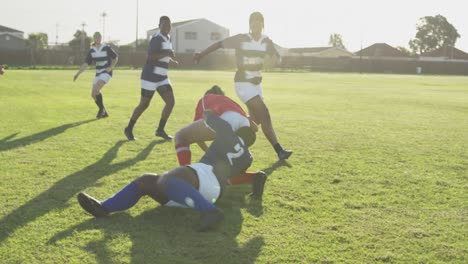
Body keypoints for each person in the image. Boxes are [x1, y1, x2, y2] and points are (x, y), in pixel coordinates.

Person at [77, 110, 263, 232]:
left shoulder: (229, 132)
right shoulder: (248, 157)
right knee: (147, 181)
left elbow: (213, 119)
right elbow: (234, 175)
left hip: (205, 176)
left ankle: (210, 211)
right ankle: (103, 208)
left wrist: (209, 108)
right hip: (213, 189)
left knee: (166, 180)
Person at [193, 12, 293, 161]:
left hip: (257, 85)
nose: (256, 25)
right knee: (264, 113)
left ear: (263, 24)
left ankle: (229, 147)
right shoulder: (241, 38)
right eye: (253, 22)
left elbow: (276, 57)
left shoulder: (267, 41)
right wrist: (202, 53)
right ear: (250, 24)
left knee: (253, 123)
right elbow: (219, 44)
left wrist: (276, 60)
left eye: (259, 22)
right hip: (243, 83)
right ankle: (279, 151)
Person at [124, 16, 178, 141]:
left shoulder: (168, 37)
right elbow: (150, 57)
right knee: (144, 105)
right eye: (164, 25)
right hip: (150, 77)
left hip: (162, 77)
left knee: (170, 102)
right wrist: (167, 54)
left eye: (169, 25)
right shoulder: (156, 38)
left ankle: (160, 130)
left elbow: (163, 56)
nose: (167, 27)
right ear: (159, 25)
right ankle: (129, 128)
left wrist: (171, 61)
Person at [73, 32, 118, 118]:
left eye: (99, 37)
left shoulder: (106, 48)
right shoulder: (92, 50)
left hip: (106, 73)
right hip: (98, 74)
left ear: (101, 38)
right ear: (94, 38)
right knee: (93, 95)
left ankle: (101, 110)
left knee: (96, 90)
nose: (98, 38)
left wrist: (111, 67)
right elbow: (86, 64)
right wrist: (77, 74)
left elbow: (115, 58)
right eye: (96, 37)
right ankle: (104, 111)